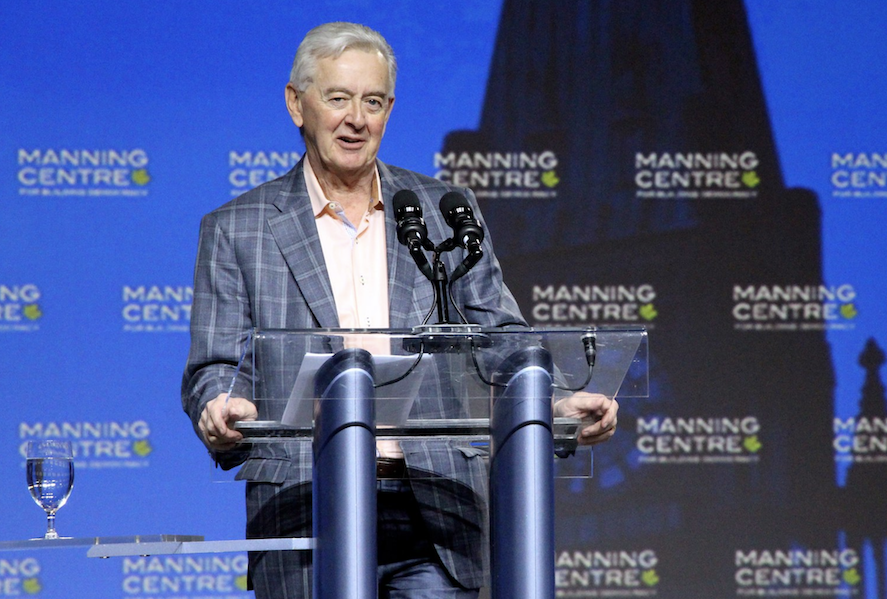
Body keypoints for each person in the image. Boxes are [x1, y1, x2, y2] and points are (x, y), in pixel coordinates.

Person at [181, 22, 618, 599]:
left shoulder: (443, 211)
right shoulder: (238, 228)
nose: (356, 118)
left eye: (373, 101)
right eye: (337, 98)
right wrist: (220, 405)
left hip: (433, 505)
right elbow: (214, 364)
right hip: (306, 509)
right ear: (296, 105)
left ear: (389, 110)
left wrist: (554, 400)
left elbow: (500, 332)